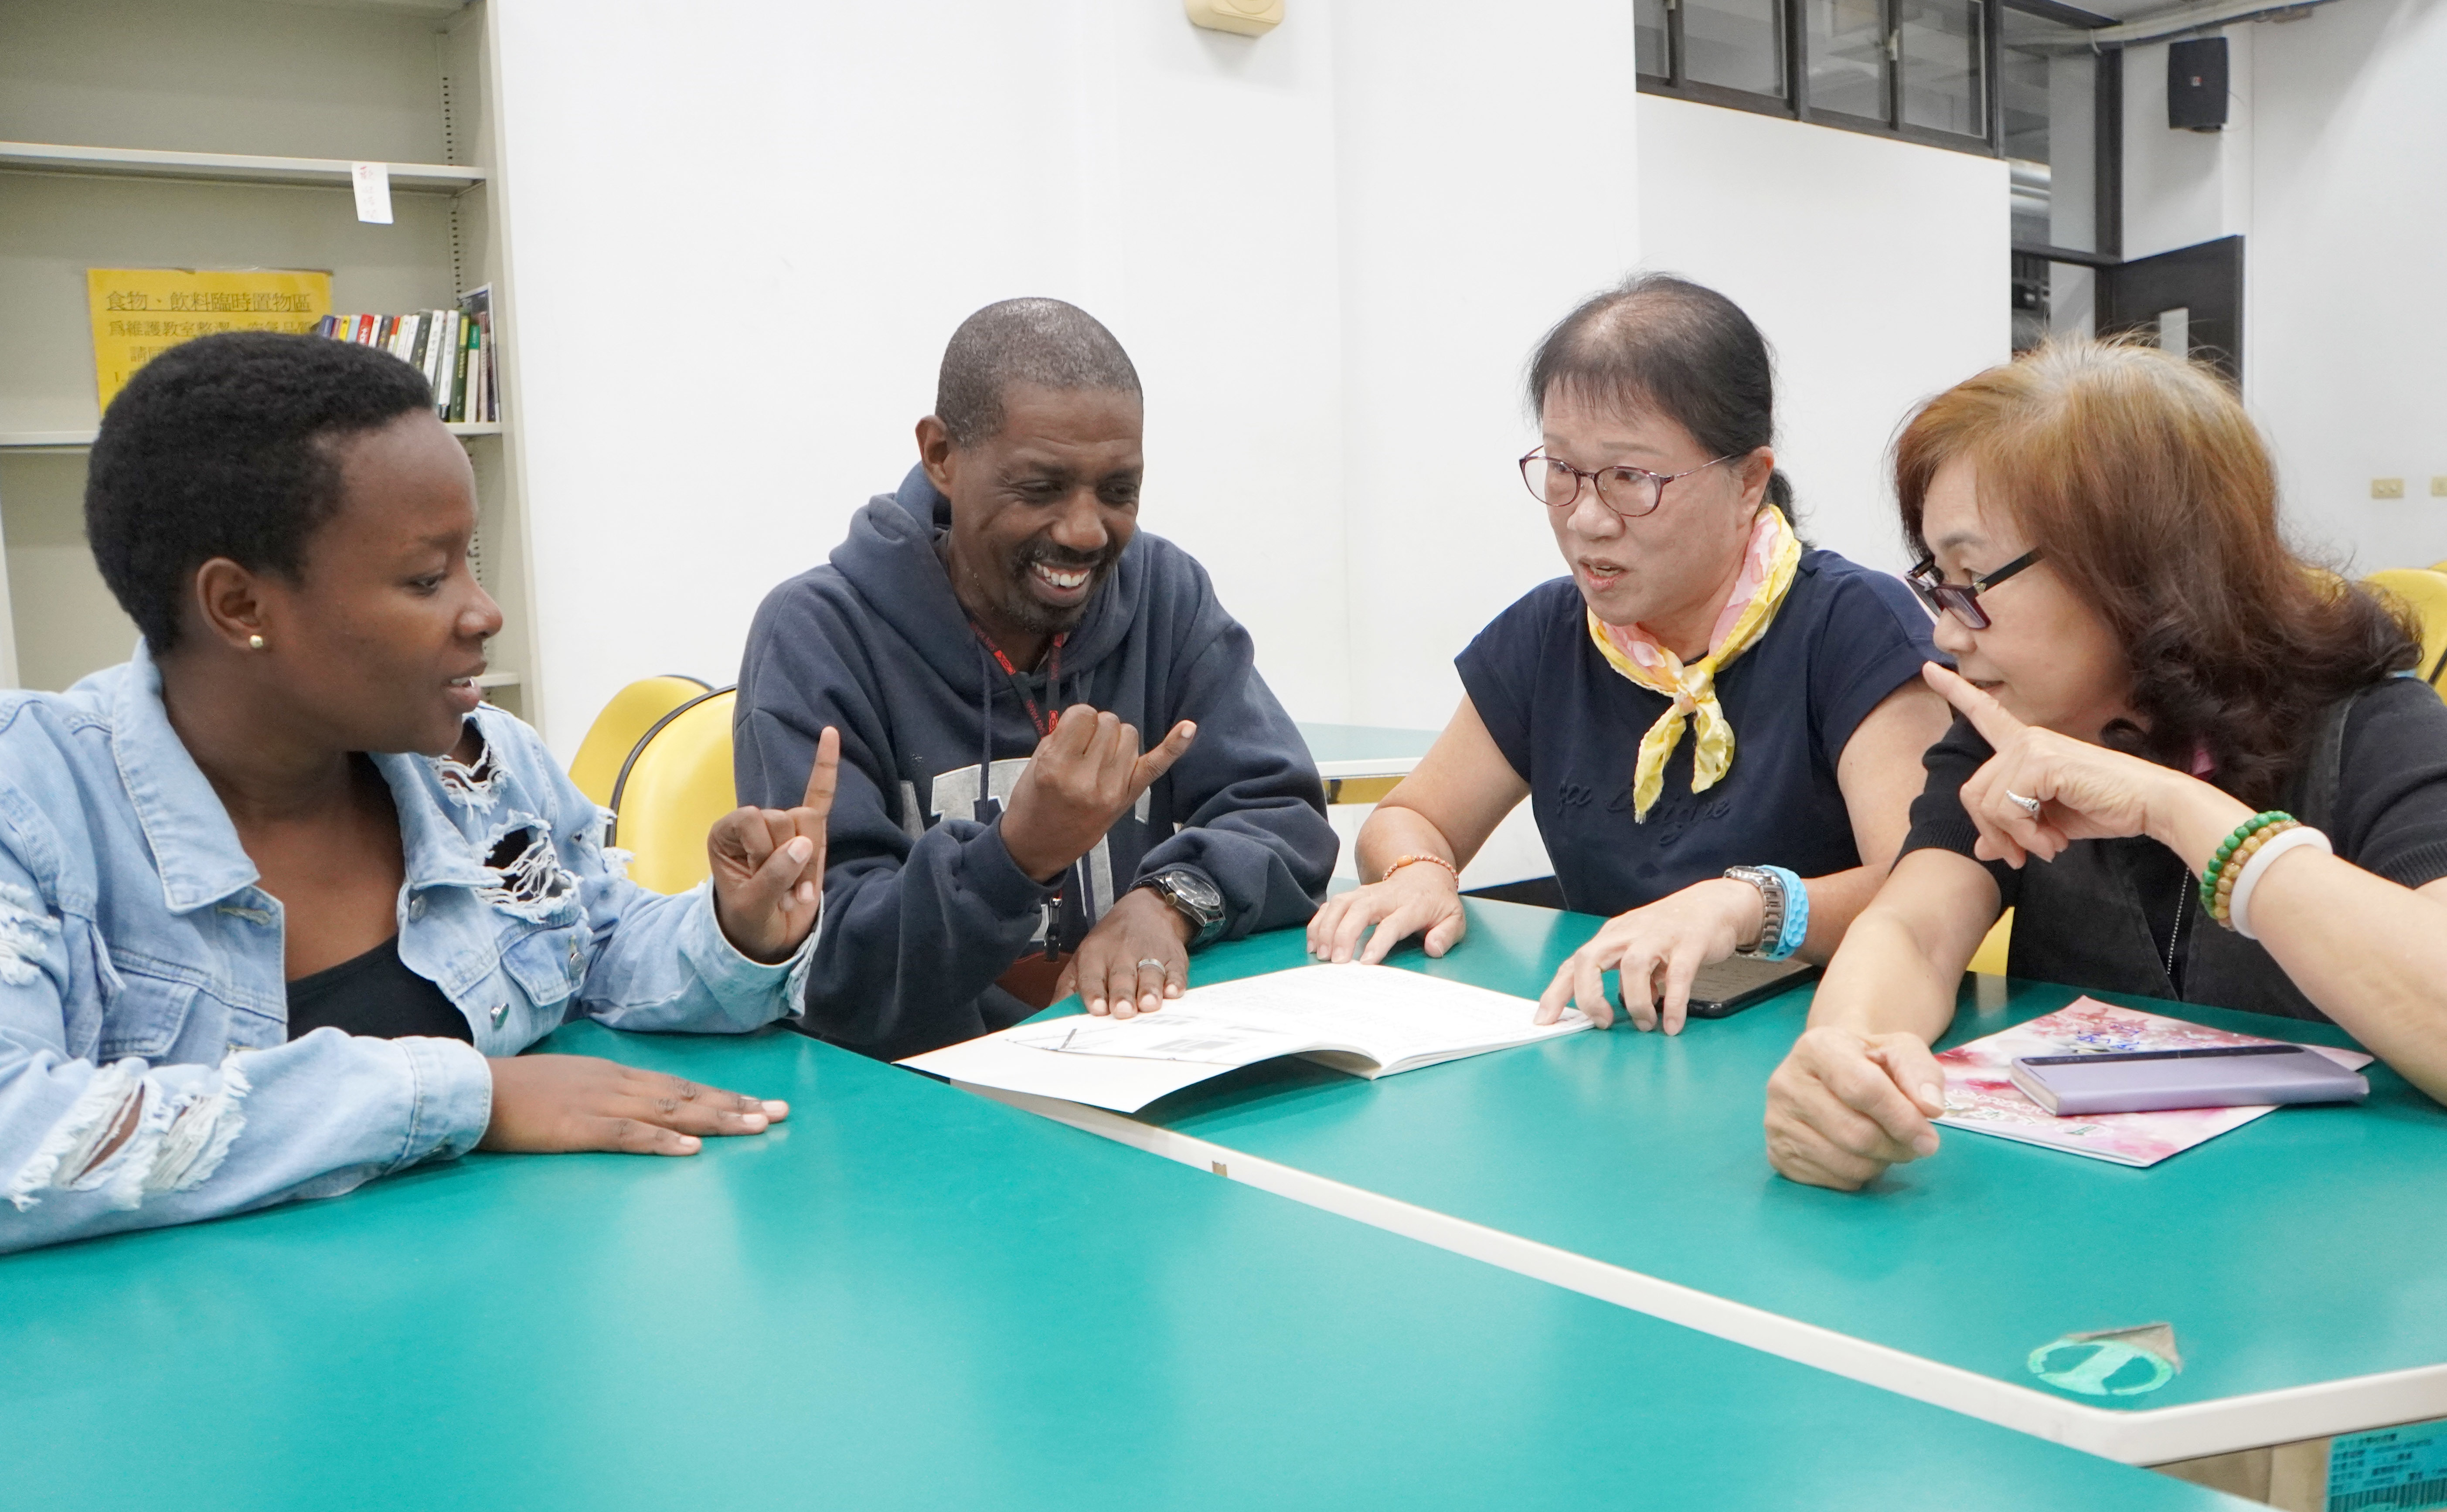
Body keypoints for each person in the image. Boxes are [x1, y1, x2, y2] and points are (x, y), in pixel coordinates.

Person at [0, 333, 838, 1254]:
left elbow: (596, 942)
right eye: (428, 577)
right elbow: (18, 1141)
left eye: (470, 561)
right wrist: (463, 1095)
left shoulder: (480, 767)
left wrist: (736, 930)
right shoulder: (33, 800)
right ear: (240, 607)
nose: (484, 611)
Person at [1763, 338, 2447, 1194]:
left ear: (2140, 569)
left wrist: (2175, 809)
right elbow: (1912, 926)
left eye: (1971, 577)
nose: (1944, 631)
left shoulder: (2372, 725)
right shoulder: (1999, 728)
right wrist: (1844, 1057)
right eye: (1936, 579)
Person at [1308, 275, 1950, 1032]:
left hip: (1823, 1040)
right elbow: (1414, 814)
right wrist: (1420, 872)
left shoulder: (1851, 626)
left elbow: (1925, 888)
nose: (1585, 519)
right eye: (1560, 470)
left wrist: (1751, 903)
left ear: (1748, 480)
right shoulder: (1550, 635)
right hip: (1613, 1034)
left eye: (1629, 479)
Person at [733, 297, 1335, 1060]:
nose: (1085, 531)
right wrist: (1015, 857)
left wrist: (1166, 902)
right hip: (913, 1103)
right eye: (1041, 488)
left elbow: (1285, 812)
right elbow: (831, 964)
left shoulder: (1164, 594)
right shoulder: (819, 634)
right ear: (941, 455)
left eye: (1118, 491)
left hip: (1131, 1069)